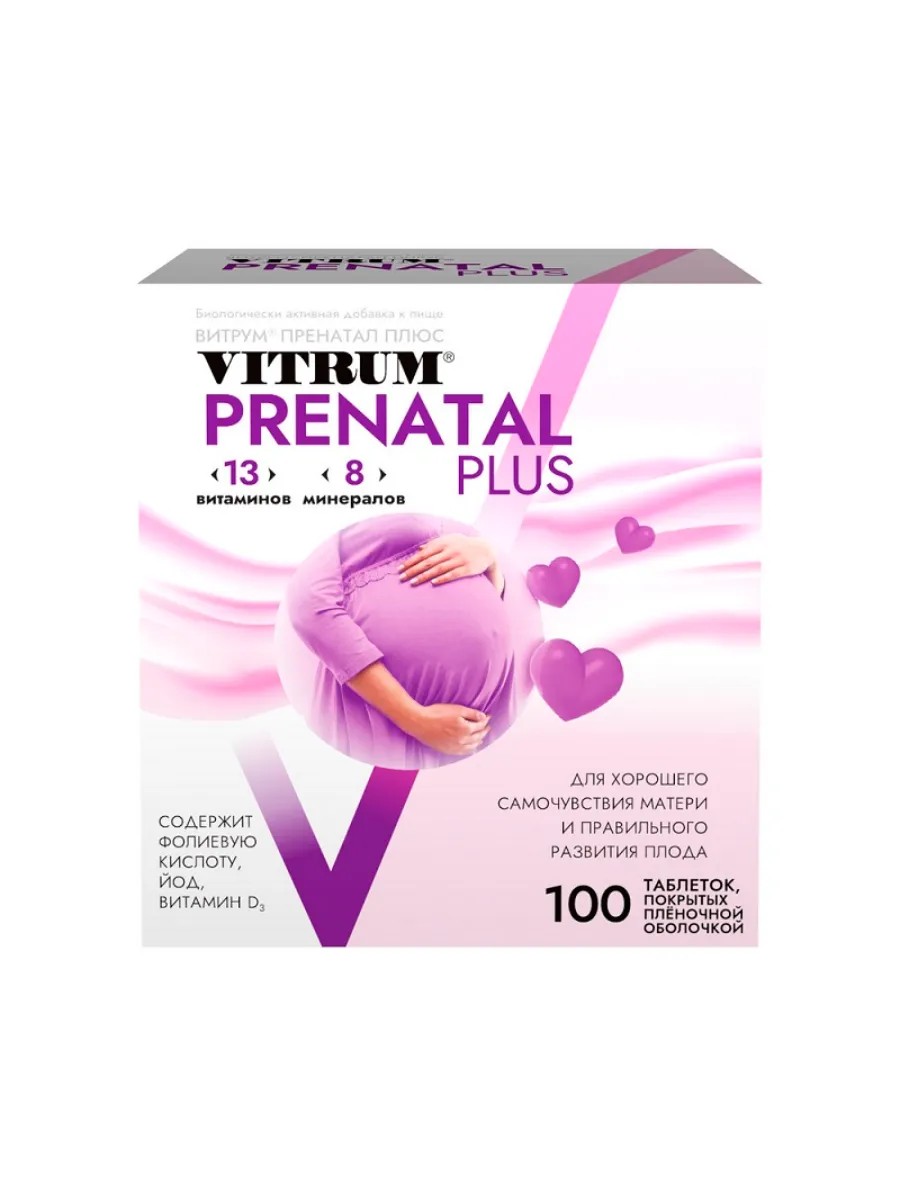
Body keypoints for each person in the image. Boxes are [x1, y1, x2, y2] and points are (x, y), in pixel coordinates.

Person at [282, 512, 538, 769]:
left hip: (487, 716)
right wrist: (415, 719)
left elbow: (486, 594)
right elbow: (308, 604)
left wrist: (489, 558)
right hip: (388, 721)